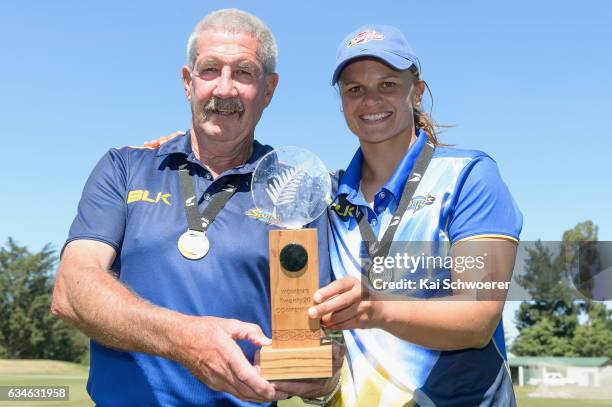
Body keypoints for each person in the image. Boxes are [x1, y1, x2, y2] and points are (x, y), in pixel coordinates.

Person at [51, 9, 341, 406]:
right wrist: (185, 339)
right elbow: (71, 289)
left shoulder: (297, 191)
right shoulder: (125, 166)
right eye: (210, 71)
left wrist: (323, 377)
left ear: (269, 90)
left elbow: (316, 329)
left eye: (243, 72)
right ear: (188, 83)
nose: (224, 89)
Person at [307, 25, 523, 406]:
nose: (370, 100)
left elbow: (477, 320)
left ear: (416, 91)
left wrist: (375, 308)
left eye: (387, 84)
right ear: (342, 102)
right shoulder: (325, 196)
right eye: (354, 89)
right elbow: (257, 182)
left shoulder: (468, 176)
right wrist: (185, 152)